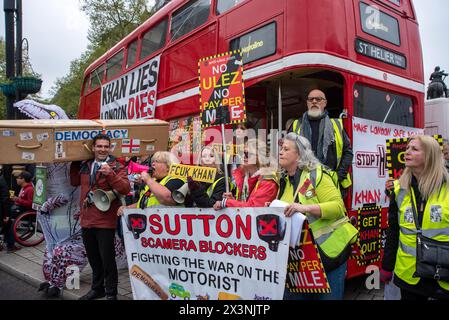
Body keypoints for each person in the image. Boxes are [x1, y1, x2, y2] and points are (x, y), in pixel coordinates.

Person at [278, 133, 358, 300]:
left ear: (299, 154)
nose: (280, 152)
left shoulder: (316, 174)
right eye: (280, 149)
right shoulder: (285, 181)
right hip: (302, 260)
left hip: (330, 255)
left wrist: (305, 207)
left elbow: (338, 207)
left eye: (286, 149)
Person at [381, 135, 449, 300]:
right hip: (408, 275)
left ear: (430, 155)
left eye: (415, 149)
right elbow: (393, 231)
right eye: (407, 148)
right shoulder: (398, 189)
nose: (407, 152)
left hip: (443, 275)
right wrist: (387, 266)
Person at [70, 133, 130, 300]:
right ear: (93, 148)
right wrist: (74, 159)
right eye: (99, 146)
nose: (103, 149)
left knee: (107, 259)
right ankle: (98, 289)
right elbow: (74, 181)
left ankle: (111, 293)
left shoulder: (116, 165)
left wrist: (111, 174)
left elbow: (125, 188)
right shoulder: (85, 165)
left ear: (109, 148)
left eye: (106, 146)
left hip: (105, 220)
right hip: (87, 219)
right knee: (93, 257)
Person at [288, 89, 353, 194]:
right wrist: (294, 177)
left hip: (330, 181)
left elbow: (348, 152)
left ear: (325, 103)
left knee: (328, 209)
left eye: (318, 99)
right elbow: (287, 152)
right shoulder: (296, 125)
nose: (314, 101)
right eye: (311, 99)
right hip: (303, 181)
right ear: (307, 103)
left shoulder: (336, 125)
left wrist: (339, 176)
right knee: (306, 208)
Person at [213, 139, 278, 209]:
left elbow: (255, 208)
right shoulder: (243, 176)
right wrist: (233, 201)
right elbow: (245, 204)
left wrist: (227, 202)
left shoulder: (268, 181)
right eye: (242, 153)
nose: (243, 156)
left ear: (259, 156)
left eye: (247, 154)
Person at [117, 151, 185, 214]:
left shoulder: (177, 181)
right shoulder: (153, 182)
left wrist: (148, 180)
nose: (153, 164)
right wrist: (128, 208)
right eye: (153, 161)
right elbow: (144, 203)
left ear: (168, 166)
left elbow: (167, 198)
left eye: (157, 161)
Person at [3, 171, 35, 253]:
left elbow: (31, 204)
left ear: (23, 179)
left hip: (25, 211)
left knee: (9, 221)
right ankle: (6, 240)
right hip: (19, 208)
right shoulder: (23, 188)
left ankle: (10, 245)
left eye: (18, 178)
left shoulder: (30, 189)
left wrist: (18, 200)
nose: (16, 179)